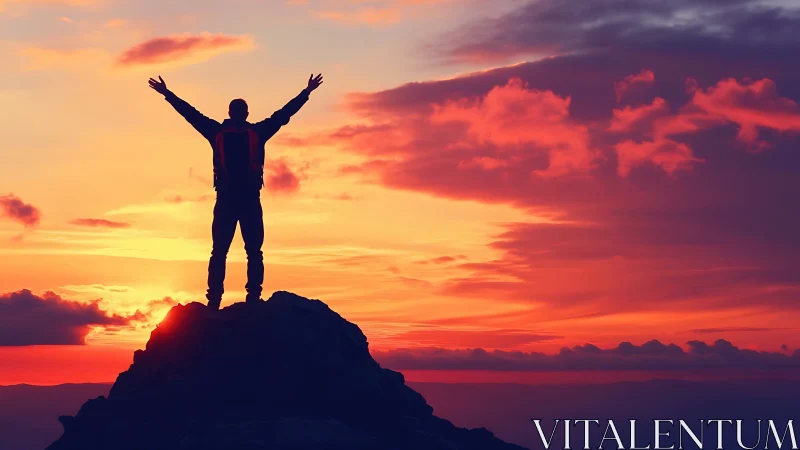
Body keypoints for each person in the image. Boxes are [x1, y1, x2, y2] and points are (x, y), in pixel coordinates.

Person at [148, 73, 324, 310]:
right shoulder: (257, 132)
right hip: (249, 200)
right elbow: (283, 115)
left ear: (230, 113)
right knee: (252, 251)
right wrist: (306, 92)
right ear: (246, 114)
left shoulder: (217, 132)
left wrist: (168, 94)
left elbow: (190, 114)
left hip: (227, 200)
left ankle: (214, 301)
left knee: (220, 251)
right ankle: (252, 298)